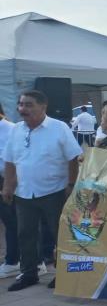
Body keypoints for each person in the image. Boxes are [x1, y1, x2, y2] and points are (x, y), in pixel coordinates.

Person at [2, 90, 83, 291]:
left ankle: (64, 274)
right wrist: (8, 186)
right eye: (21, 104)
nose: (22, 109)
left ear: (43, 107)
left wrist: (71, 186)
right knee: (25, 234)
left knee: (60, 234)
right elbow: (10, 160)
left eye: (28, 105)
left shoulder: (59, 128)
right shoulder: (16, 130)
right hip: (24, 192)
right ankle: (29, 273)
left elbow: (73, 158)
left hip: (54, 191)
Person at [0, 103, 19, 279]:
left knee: (11, 222)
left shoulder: (10, 129)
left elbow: (13, 158)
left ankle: (13, 261)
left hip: (7, 180)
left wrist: (8, 184)